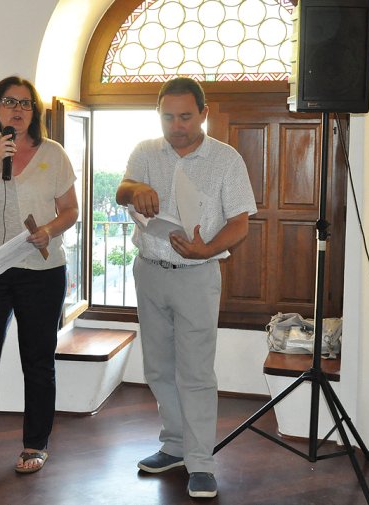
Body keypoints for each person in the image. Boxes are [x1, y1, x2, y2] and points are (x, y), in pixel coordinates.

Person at [115, 77, 256, 499]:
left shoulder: (225, 159)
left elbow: (240, 221)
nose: (176, 125)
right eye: (167, 116)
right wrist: (136, 189)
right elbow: (122, 189)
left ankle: (201, 463)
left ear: (203, 113)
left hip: (198, 274)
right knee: (158, 366)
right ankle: (174, 446)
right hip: (150, 270)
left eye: (185, 116)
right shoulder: (144, 151)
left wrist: (206, 249)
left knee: (195, 371)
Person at [0, 76, 79, 474]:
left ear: (35, 113)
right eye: (9, 102)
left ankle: (35, 444)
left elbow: (71, 211)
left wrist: (49, 230)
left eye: (26, 103)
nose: (18, 109)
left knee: (37, 361)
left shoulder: (54, 153)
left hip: (41, 270)